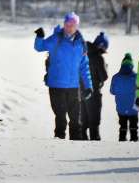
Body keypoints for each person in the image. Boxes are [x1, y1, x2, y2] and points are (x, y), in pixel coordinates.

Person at [34, 12, 92, 140]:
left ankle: (76, 143)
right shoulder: (56, 39)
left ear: (77, 26)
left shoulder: (80, 44)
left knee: (76, 119)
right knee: (60, 117)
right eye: (67, 24)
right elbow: (39, 47)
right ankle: (59, 142)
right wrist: (39, 36)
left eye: (72, 24)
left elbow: (84, 67)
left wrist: (88, 86)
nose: (69, 27)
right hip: (56, 85)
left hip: (73, 86)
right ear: (64, 24)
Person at [80, 32, 109, 141]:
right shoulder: (98, 58)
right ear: (101, 46)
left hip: (80, 92)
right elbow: (104, 77)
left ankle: (80, 145)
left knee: (82, 123)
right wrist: (105, 67)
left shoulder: (82, 53)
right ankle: (94, 147)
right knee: (94, 123)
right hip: (93, 94)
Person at [110, 53, 139, 141]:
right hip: (133, 107)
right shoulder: (137, 77)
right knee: (134, 127)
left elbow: (112, 91)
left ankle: (122, 141)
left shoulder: (115, 77)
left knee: (122, 126)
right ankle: (134, 142)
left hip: (121, 108)